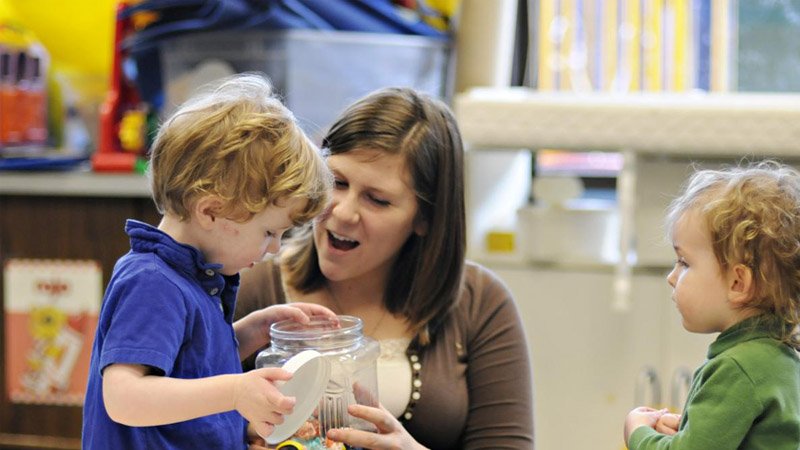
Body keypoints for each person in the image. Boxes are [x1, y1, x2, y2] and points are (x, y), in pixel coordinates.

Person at [235, 87, 535, 450]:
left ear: (425, 218)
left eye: (377, 200)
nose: (343, 212)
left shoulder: (480, 303)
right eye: (336, 182)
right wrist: (237, 435)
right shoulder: (249, 285)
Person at [82, 73, 338, 449]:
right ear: (211, 212)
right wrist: (235, 392)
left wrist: (252, 331)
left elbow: (188, 365)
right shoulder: (152, 282)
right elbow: (124, 397)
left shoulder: (193, 277)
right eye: (269, 232)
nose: (274, 249)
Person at [624, 160, 800, 449]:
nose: (671, 277)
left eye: (684, 262)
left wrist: (638, 433)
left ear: (737, 283)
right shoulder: (778, 358)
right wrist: (688, 430)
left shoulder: (737, 368)